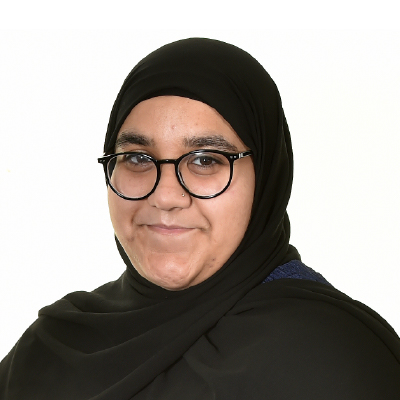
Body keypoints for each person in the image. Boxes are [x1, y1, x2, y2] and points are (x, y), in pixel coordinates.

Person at [0, 37, 399, 399]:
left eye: (206, 160)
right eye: (137, 158)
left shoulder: (332, 360)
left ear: (266, 179)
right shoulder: (55, 347)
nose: (165, 196)